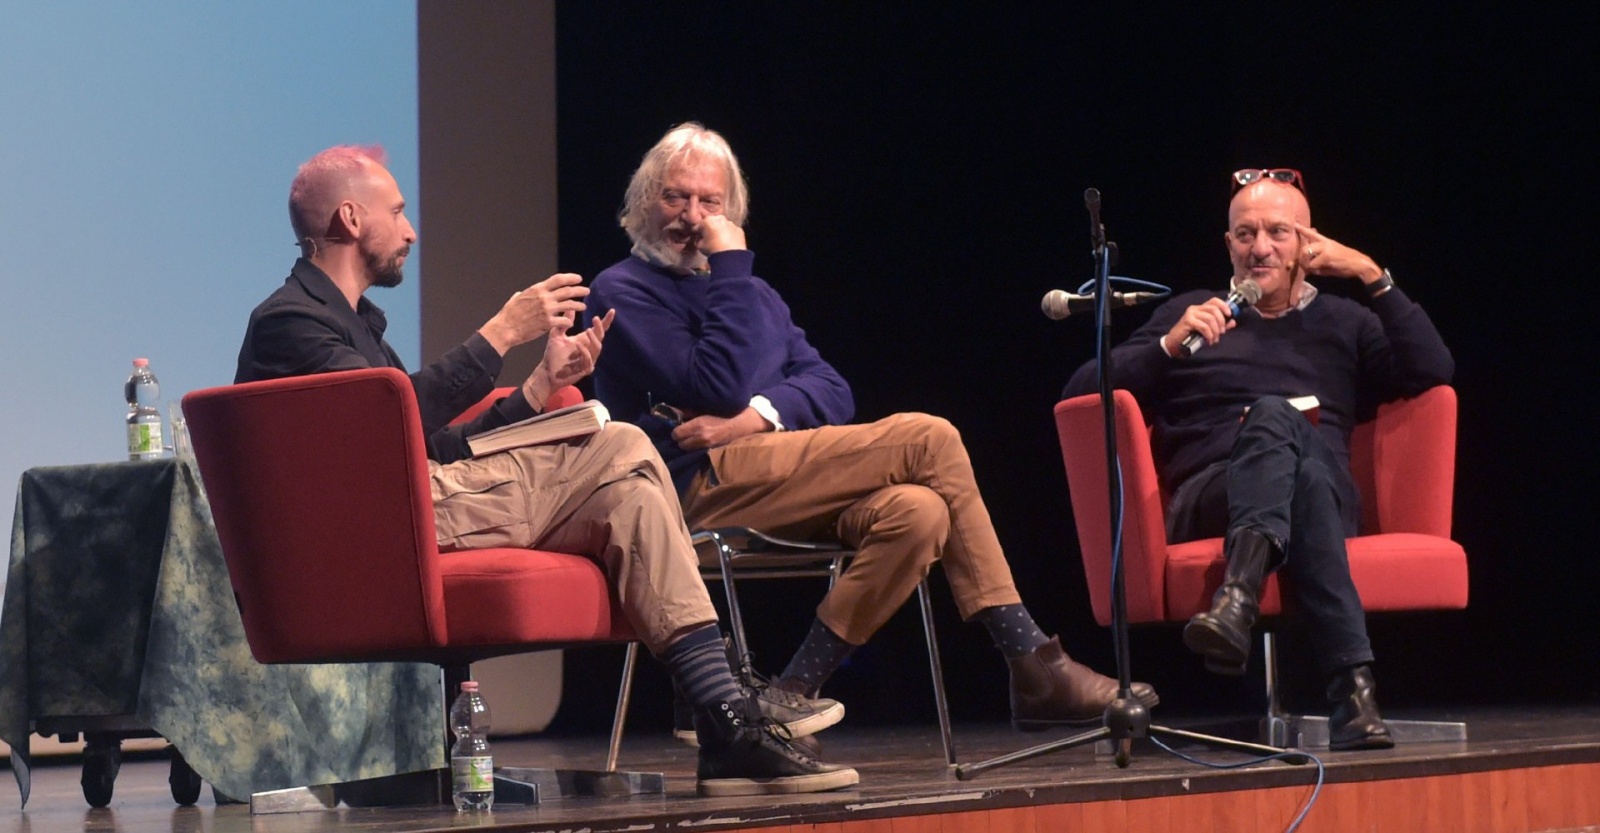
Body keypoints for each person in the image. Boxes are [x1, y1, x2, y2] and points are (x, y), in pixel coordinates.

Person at [234, 144, 858, 797]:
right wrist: (503, 331)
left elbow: (436, 445)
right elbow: (385, 423)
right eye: (398, 211)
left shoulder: (355, 324)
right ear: (352, 219)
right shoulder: (290, 321)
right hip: (373, 529)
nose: (412, 229)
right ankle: (725, 699)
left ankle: (721, 723)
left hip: (415, 502)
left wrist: (535, 390)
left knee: (628, 498)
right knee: (621, 447)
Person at [586, 123, 1157, 743]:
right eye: (676, 197)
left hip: (771, 470)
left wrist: (756, 416)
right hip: (688, 488)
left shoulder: (755, 297)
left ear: (733, 210)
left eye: (710, 202)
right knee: (928, 438)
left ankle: (792, 690)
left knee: (919, 512)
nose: (692, 217)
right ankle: (1031, 660)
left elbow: (832, 387)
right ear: (644, 202)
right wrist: (730, 264)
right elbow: (716, 382)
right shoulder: (621, 291)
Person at [1063, 168, 1454, 750]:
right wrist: (1168, 346)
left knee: (1290, 442)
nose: (1260, 248)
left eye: (1277, 232)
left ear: (1306, 244)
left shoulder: (1345, 321)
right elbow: (1082, 389)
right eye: (1245, 235)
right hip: (1212, 493)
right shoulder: (1194, 314)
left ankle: (1236, 599)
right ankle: (1352, 692)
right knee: (1282, 431)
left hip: (1324, 491)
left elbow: (1433, 371)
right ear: (1228, 246)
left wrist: (1371, 274)